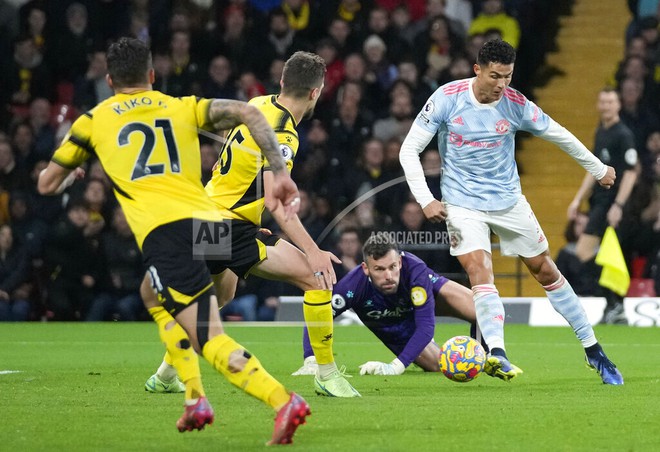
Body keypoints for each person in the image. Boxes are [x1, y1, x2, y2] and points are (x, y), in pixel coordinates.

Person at [38, 37, 309, 444]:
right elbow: (251, 114)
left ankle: (282, 401)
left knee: (209, 334)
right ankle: (193, 397)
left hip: (168, 235)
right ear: (151, 75)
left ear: (110, 79)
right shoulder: (182, 106)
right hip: (207, 223)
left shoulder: (92, 121)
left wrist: (70, 171)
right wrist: (280, 171)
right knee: (154, 292)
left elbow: (45, 184)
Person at [398, 39, 624, 385]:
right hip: (462, 202)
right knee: (479, 269)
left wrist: (598, 169)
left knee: (544, 270)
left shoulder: (516, 104)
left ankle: (593, 349)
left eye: (508, 76)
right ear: (477, 70)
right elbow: (409, 150)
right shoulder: (447, 98)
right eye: (495, 76)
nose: (502, 84)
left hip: (508, 201)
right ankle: (498, 353)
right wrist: (426, 199)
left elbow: (559, 135)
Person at [145, 51, 360, 398]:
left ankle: (166, 374)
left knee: (220, 295)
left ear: (281, 82)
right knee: (315, 275)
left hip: (208, 215)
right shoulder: (284, 135)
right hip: (228, 226)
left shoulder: (258, 103)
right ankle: (327, 374)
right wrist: (314, 250)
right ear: (316, 92)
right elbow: (277, 202)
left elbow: (240, 170)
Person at [292, 235, 477, 376]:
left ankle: (488, 356)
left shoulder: (415, 270)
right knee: (441, 366)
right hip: (392, 324)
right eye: (379, 269)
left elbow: (426, 326)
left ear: (400, 262)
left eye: (392, 267)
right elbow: (319, 315)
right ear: (366, 269)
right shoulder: (352, 286)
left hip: (424, 301)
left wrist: (394, 368)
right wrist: (311, 359)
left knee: (481, 309)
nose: (388, 275)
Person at [567, 87, 638, 324]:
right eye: (603, 102)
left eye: (610, 102)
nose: (606, 106)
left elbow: (631, 173)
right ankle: (614, 304)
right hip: (599, 201)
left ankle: (615, 303)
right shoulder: (602, 132)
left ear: (618, 105)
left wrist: (618, 205)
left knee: (592, 253)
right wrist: (577, 199)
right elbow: (593, 168)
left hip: (612, 205)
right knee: (596, 255)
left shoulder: (623, 134)